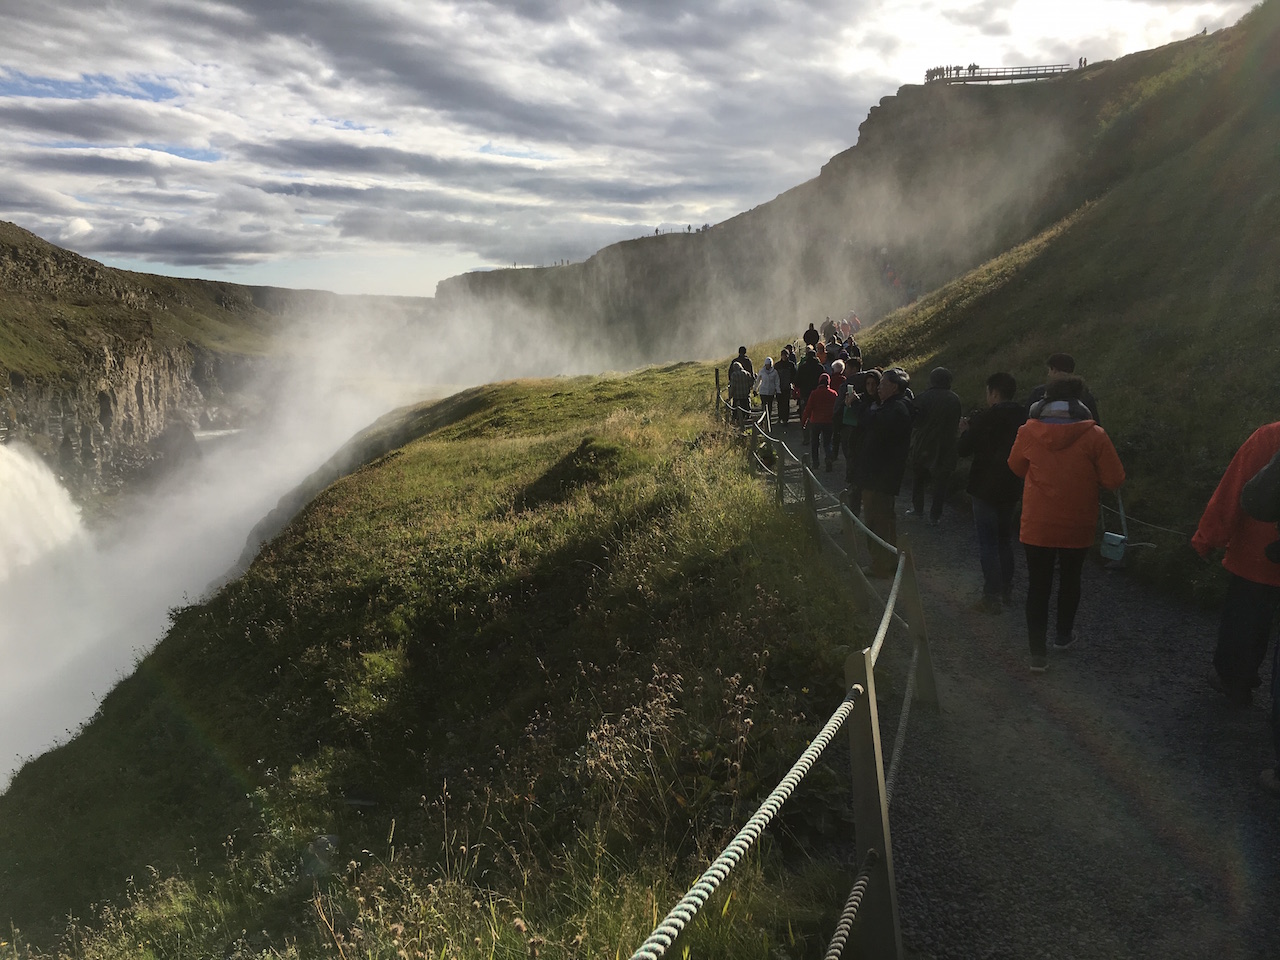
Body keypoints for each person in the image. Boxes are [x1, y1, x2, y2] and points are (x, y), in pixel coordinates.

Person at [1008, 376, 1124, 672]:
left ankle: (1037, 654)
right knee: (1070, 580)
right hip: (1077, 521)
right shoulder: (1095, 434)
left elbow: (1016, 467)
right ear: (1080, 400)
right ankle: (1062, 636)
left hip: (1038, 522)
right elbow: (1114, 479)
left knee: (1038, 585)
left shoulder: (1028, 430)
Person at [1193, 423, 1280, 729]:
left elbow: (1233, 489)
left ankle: (1234, 682)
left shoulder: (1269, 436)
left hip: (1254, 554)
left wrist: (1207, 537)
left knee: (1244, 619)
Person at [957, 372, 1026, 613]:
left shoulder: (986, 418)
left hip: (984, 485)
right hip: (1012, 484)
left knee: (987, 540)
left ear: (994, 392)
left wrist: (965, 431)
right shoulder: (1024, 418)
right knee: (1004, 539)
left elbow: (963, 450)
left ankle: (991, 595)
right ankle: (1006, 589)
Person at [856, 367, 914, 577]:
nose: (878, 388)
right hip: (883, 475)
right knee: (885, 520)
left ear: (895, 387)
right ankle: (889, 561)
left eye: (883, 384)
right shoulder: (898, 406)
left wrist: (859, 407)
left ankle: (881, 565)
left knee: (876, 520)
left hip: (879, 476)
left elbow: (872, 427)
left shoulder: (894, 410)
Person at [907, 367, 962, 524]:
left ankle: (917, 509)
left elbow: (915, 420)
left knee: (919, 477)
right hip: (947, 444)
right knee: (941, 482)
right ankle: (935, 516)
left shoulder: (924, 397)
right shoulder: (954, 399)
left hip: (924, 443)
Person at [1027, 353, 1100, 424]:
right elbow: (1094, 423)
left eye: (1049, 370)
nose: (1048, 374)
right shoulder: (1084, 394)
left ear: (1054, 370)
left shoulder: (1039, 393)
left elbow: (1026, 421)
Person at [801, 372, 839, 471]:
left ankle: (815, 463)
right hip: (829, 422)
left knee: (815, 443)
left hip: (816, 421)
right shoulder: (833, 393)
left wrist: (804, 420)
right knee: (827, 443)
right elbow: (836, 408)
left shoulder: (814, 393)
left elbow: (808, 408)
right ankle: (829, 458)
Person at [795, 345, 823, 425]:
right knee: (816, 409)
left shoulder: (802, 367)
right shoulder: (820, 367)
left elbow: (797, 381)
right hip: (817, 392)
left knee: (805, 409)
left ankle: (805, 424)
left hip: (805, 392)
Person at [774, 348, 796, 425]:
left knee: (786, 403)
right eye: (783, 355)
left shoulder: (791, 365)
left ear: (788, 355)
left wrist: (793, 384)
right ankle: (780, 417)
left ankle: (786, 418)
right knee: (779, 403)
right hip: (779, 387)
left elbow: (794, 375)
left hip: (787, 387)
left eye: (786, 355)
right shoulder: (777, 365)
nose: (784, 357)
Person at [728, 360, 753, 424]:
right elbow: (751, 384)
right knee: (746, 411)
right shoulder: (747, 373)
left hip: (737, 397)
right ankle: (747, 422)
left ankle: (738, 424)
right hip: (746, 396)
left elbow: (732, 387)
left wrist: (730, 396)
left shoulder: (734, 375)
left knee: (736, 413)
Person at [756, 357, 780, 422]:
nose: (767, 366)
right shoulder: (762, 371)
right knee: (763, 406)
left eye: (769, 365)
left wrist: (778, 390)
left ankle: (768, 418)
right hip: (763, 391)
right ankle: (763, 419)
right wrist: (755, 389)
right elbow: (758, 380)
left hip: (770, 392)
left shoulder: (774, 372)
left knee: (769, 406)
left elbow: (777, 382)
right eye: (766, 365)